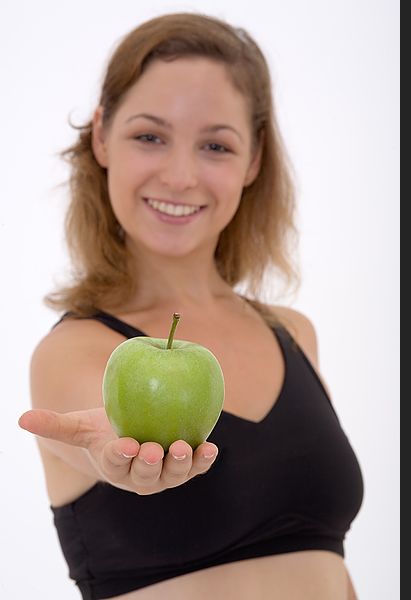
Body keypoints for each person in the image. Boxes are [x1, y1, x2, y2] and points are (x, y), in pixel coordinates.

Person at [19, 12, 363, 600]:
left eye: (215, 145)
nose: (180, 175)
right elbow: (91, 443)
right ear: (101, 136)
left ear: (254, 161)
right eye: (150, 136)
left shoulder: (294, 334)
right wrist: (113, 458)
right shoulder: (72, 352)